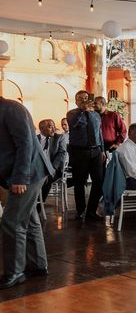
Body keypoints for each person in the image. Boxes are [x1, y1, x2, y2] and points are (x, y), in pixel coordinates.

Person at [0, 97, 54, 289]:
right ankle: (38, 265)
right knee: (30, 220)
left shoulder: (12, 108)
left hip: (29, 172)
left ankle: (15, 272)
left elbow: (26, 144)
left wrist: (20, 178)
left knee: (12, 221)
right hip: (21, 173)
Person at [66, 90, 105, 221]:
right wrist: (82, 111)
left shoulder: (95, 115)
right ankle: (80, 211)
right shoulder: (72, 114)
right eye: (81, 99)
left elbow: (99, 133)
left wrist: (103, 150)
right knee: (79, 183)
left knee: (99, 181)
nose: (84, 100)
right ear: (76, 101)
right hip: (79, 152)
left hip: (96, 152)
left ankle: (91, 211)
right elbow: (74, 124)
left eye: (86, 98)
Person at [37, 119, 68, 200]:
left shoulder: (59, 138)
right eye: (50, 127)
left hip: (54, 169)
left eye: (54, 126)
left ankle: (39, 206)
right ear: (41, 128)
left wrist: (52, 169)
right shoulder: (35, 140)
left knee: (45, 179)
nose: (54, 129)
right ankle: (31, 205)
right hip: (37, 170)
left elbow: (62, 153)